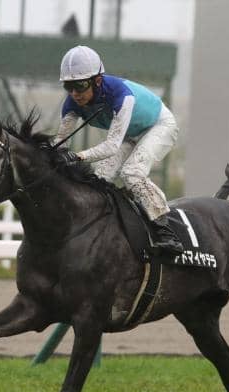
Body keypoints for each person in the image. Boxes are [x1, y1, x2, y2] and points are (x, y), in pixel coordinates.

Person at [52, 45, 183, 255]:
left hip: (159, 126)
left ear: (97, 80)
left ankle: (167, 233)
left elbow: (111, 146)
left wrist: (78, 156)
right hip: (130, 134)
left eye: (80, 85)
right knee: (100, 177)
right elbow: (60, 144)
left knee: (132, 172)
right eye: (69, 86)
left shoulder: (121, 95)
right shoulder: (72, 104)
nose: (75, 93)